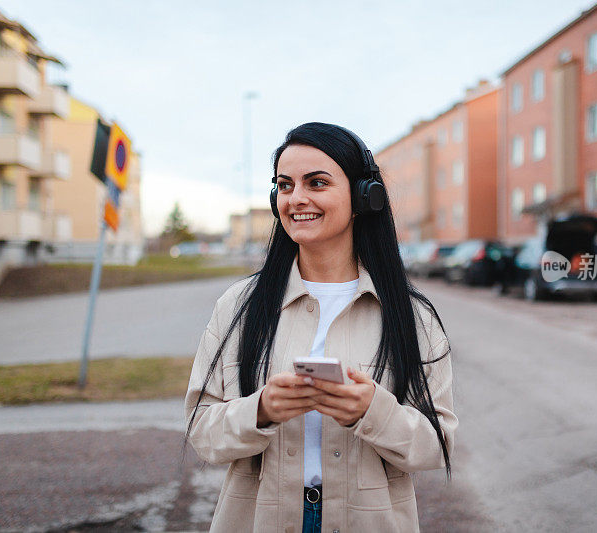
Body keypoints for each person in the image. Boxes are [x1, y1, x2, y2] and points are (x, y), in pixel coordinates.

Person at [183, 122, 457, 533]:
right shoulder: (239, 306)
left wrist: (372, 412)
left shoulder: (411, 315)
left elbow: (437, 446)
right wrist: (260, 410)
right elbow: (200, 431)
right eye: (285, 185)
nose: (297, 199)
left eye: (317, 183)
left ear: (365, 196)